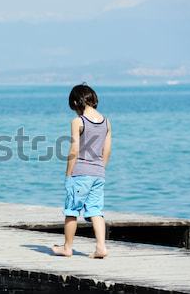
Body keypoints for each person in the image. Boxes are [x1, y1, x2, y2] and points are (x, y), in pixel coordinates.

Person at [52, 83, 112, 258]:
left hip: (80, 173)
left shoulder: (78, 122)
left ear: (77, 103)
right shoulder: (106, 122)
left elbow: (74, 150)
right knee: (95, 210)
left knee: (71, 210)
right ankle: (101, 247)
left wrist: (68, 174)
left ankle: (67, 247)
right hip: (99, 173)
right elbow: (107, 150)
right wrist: (101, 168)